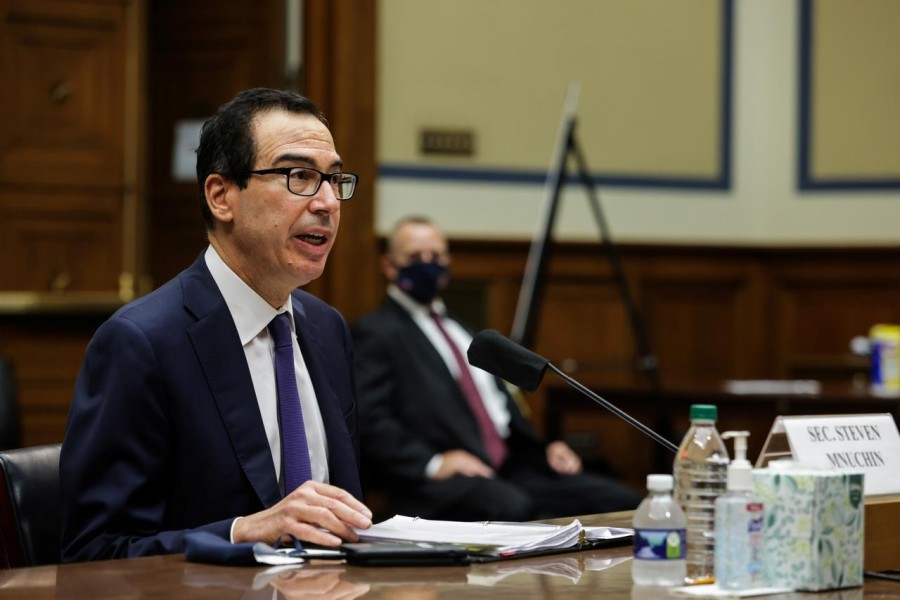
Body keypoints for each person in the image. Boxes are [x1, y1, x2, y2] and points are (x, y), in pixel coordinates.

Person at [59, 88, 372, 562]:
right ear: (221, 196)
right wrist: (242, 533)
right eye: (300, 176)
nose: (328, 202)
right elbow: (93, 553)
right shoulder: (141, 342)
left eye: (334, 179)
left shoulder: (327, 331)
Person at [351, 216, 642, 522]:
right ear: (388, 265)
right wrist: (433, 463)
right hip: (441, 481)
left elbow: (500, 408)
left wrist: (544, 449)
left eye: (436, 257)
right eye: (414, 257)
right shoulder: (376, 332)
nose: (427, 264)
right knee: (516, 510)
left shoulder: (460, 329)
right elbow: (371, 419)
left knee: (623, 504)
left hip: (512, 468)